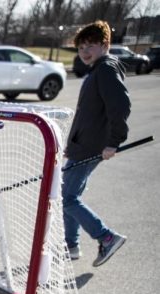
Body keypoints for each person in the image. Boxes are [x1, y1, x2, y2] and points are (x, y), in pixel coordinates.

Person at [64, 20, 130, 267]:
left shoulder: (105, 69)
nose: (84, 52)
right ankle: (70, 245)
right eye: (81, 47)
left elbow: (121, 106)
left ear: (105, 45)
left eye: (90, 45)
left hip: (92, 147)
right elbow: (87, 114)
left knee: (67, 197)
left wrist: (114, 142)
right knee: (68, 196)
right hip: (83, 146)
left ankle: (107, 237)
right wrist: (72, 144)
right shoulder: (97, 70)